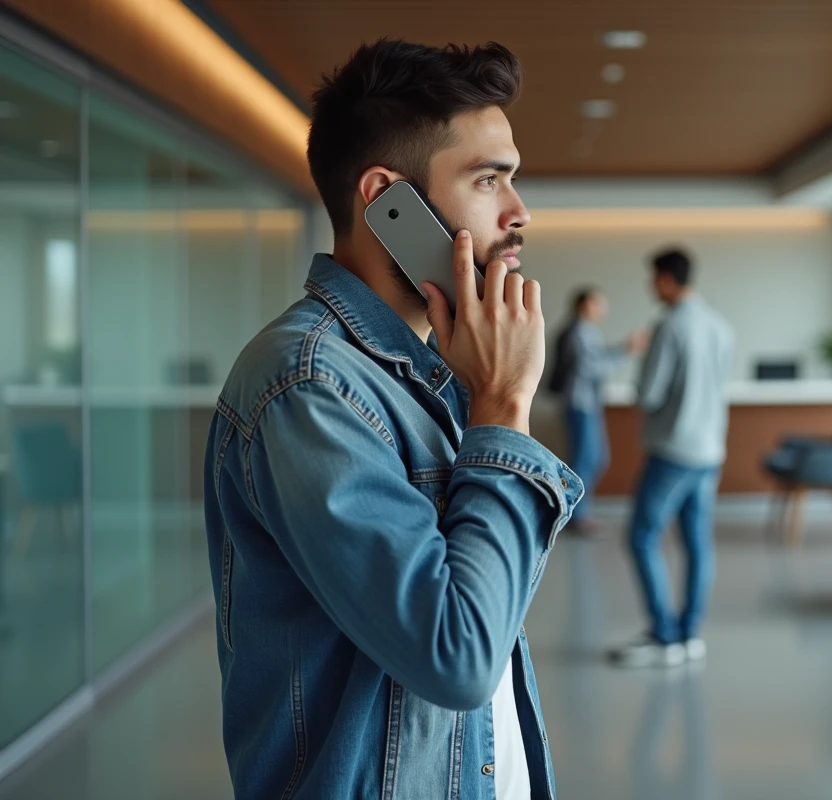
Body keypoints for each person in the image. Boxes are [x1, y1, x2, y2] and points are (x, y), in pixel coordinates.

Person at [203, 39, 581, 800]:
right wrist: (504, 409)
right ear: (388, 202)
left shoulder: (433, 375)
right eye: (488, 180)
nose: (520, 211)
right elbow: (457, 656)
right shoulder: (306, 385)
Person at [609, 248, 734, 668]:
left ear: (664, 279)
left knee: (642, 536)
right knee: (697, 542)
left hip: (674, 451)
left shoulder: (669, 327)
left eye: (652, 279)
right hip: (710, 450)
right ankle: (689, 635)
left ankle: (664, 636)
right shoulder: (719, 325)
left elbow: (648, 394)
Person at [550, 288, 645, 532]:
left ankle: (577, 513)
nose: (603, 309)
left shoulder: (587, 331)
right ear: (584, 305)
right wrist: (625, 350)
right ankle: (574, 516)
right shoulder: (579, 332)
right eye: (598, 303)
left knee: (594, 459)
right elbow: (591, 367)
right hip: (580, 405)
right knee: (586, 460)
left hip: (587, 405)